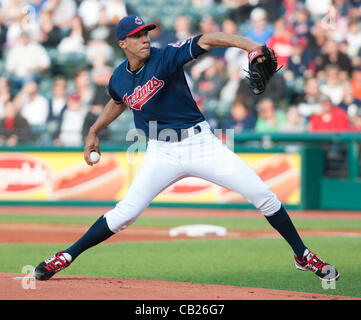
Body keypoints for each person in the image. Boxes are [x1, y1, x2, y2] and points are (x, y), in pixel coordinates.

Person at [34, 15, 340, 282]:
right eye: (136, 36)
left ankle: (302, 255)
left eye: (146, 33)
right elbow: (118, 102)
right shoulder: (117, 78)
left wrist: (249, 46)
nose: (144, 38)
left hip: (200, 143)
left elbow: (208, 39)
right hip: (160, 151)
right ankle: (66, 256)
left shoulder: (165, 56)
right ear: (122, 44)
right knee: (124, 215)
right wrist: (94, 129)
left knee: (263, 195)